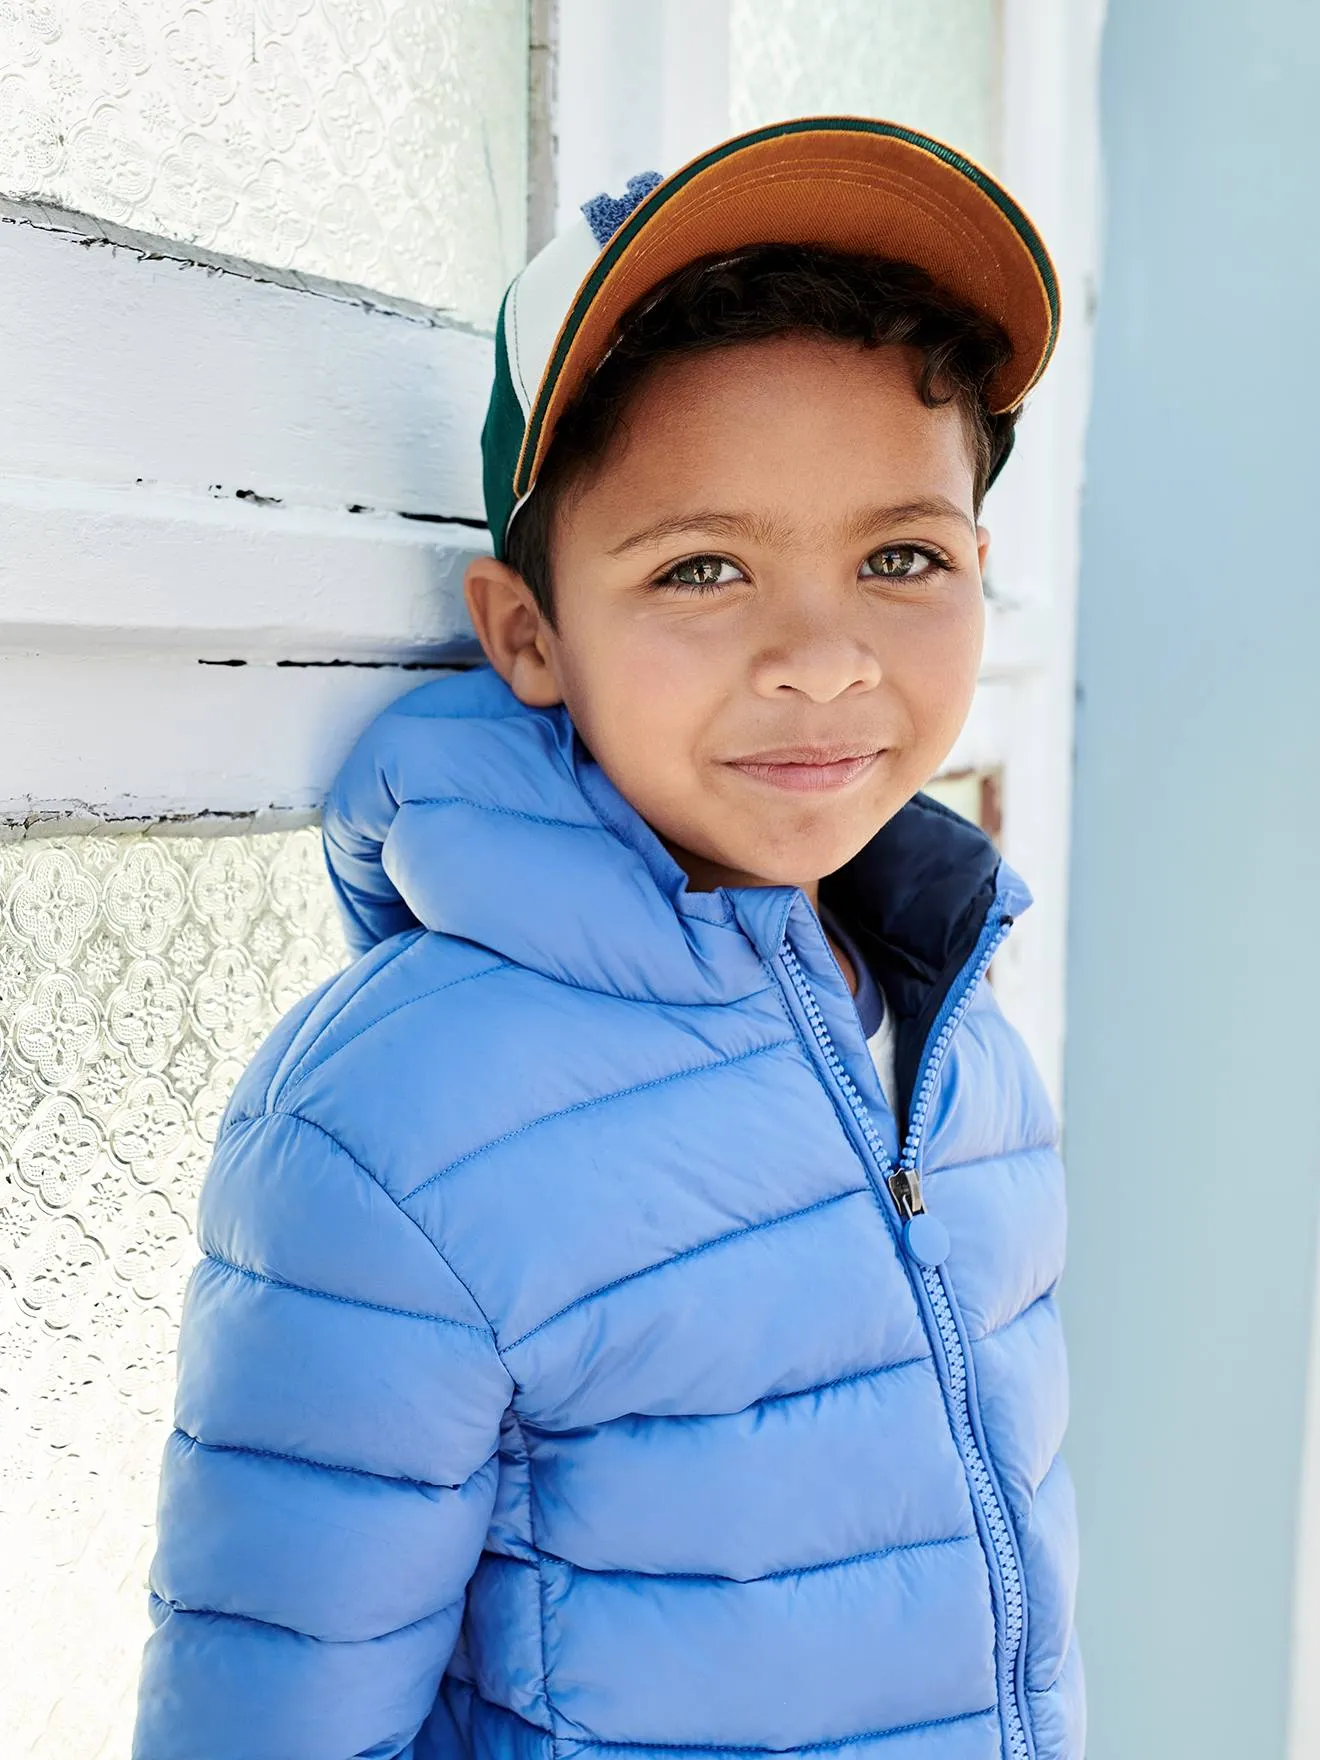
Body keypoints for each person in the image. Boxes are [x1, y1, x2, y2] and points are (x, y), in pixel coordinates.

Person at [133, 119, 1080, 1760]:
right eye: (704, 567)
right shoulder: (398, 1121)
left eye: (902, 556)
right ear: (529, 632)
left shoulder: (957, 1035)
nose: (823, 658)